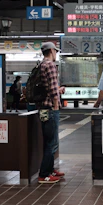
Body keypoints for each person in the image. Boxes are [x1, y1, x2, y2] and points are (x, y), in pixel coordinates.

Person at [37, 42, 66, 184]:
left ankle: (50, 170)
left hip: (43, 108)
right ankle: (44, 174)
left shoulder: (41, 64)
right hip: (50, 109)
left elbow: (49, 88)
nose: (56, 53)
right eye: (55, 51)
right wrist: (56, 107)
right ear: (51, 51)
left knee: (48, 141)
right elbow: (54, 92)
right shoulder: (50, 65)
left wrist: (57, 91)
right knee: (52, 142)